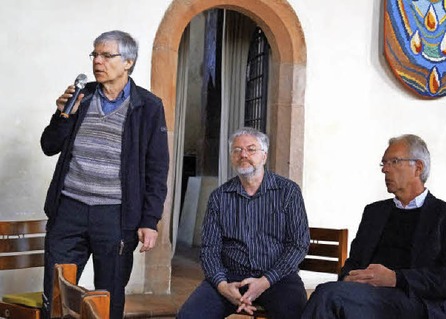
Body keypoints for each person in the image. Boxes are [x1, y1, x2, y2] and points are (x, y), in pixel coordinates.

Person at [40, 30, 169, 319]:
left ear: (128, 62)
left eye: (106, 55)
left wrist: (150, 221)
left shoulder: (148, 107)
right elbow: (49, 146)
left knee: (108, 300)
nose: (97, 61)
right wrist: (62, 116)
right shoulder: (80, 99)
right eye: (94, 54)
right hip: (68, 211)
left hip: (115, 217)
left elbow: (157, 169)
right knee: (56, 296)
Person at [302, 134, 446, 319]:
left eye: (394, 162)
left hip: (420, 303)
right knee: (331, 296)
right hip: (371, 297)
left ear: (418, 168)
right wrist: (348, 277)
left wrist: (396, 278)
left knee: (329, 296)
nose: (385, 170)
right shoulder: (374, 212)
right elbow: (354, 262)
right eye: (384, 164)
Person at [177, 127, 310, 319]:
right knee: (188, 316)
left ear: (264, 156)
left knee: (297, 315)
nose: (243, 154)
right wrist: (222, 286)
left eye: (251, 149)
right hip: (231, 277)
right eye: (237, 150)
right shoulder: (219, 197)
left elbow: (298, 244)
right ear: (232, 157)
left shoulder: (288, 192)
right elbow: (209, 249)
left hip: (278, 277)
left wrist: (265, 281)